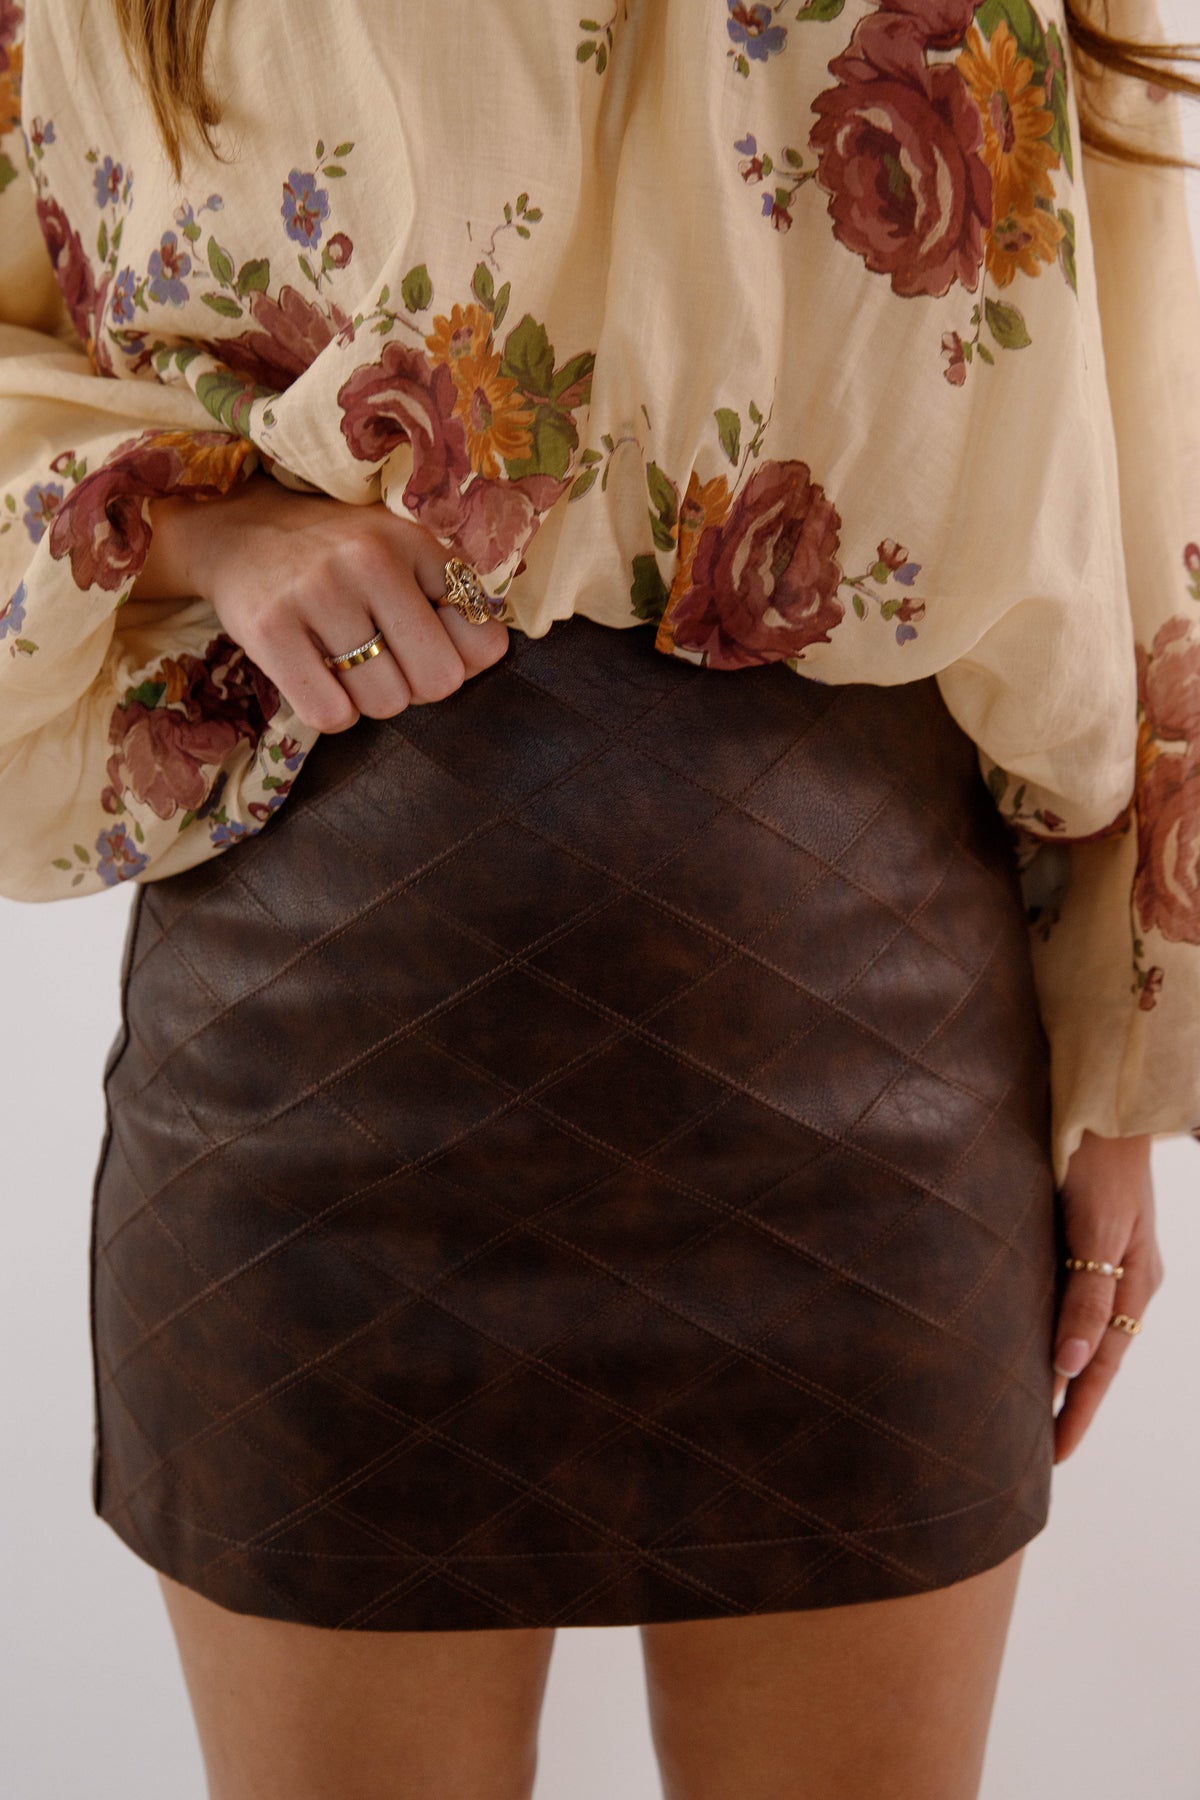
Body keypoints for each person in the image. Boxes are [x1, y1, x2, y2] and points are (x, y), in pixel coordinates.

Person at [1, 0, 1197, 1794]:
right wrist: (207, 532)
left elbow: (1145, 440)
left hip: (870, 1043)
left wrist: (1121, 1067)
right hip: (318, 1053)